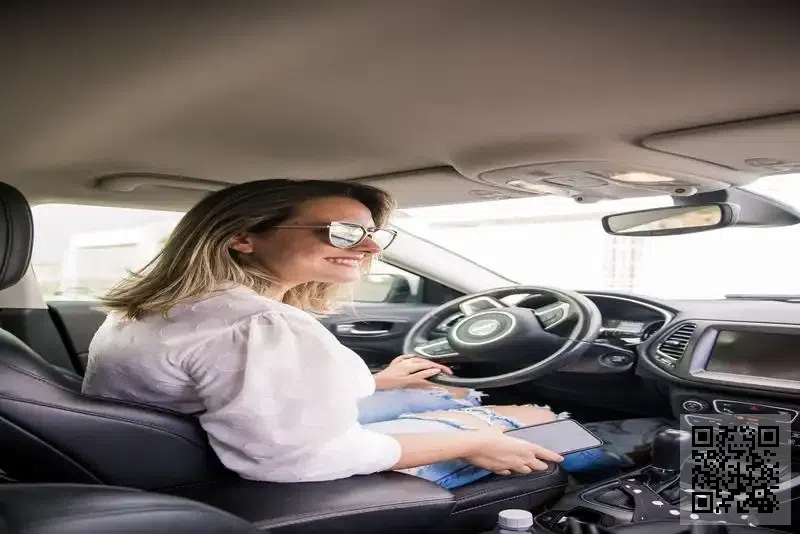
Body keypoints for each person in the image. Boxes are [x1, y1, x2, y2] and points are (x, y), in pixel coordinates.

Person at [81, 179, 665, 489]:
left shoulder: (154, 307)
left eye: (371, 234)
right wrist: (468, 443)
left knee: (457, 399)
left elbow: (239, 390)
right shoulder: (260, 325)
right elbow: (298, 457)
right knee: (548, 423)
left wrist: (382, 381)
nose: (366, 248)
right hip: (265, 471)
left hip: (202, 446)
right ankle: (699, 492)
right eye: (340, 232)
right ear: (242, 236)